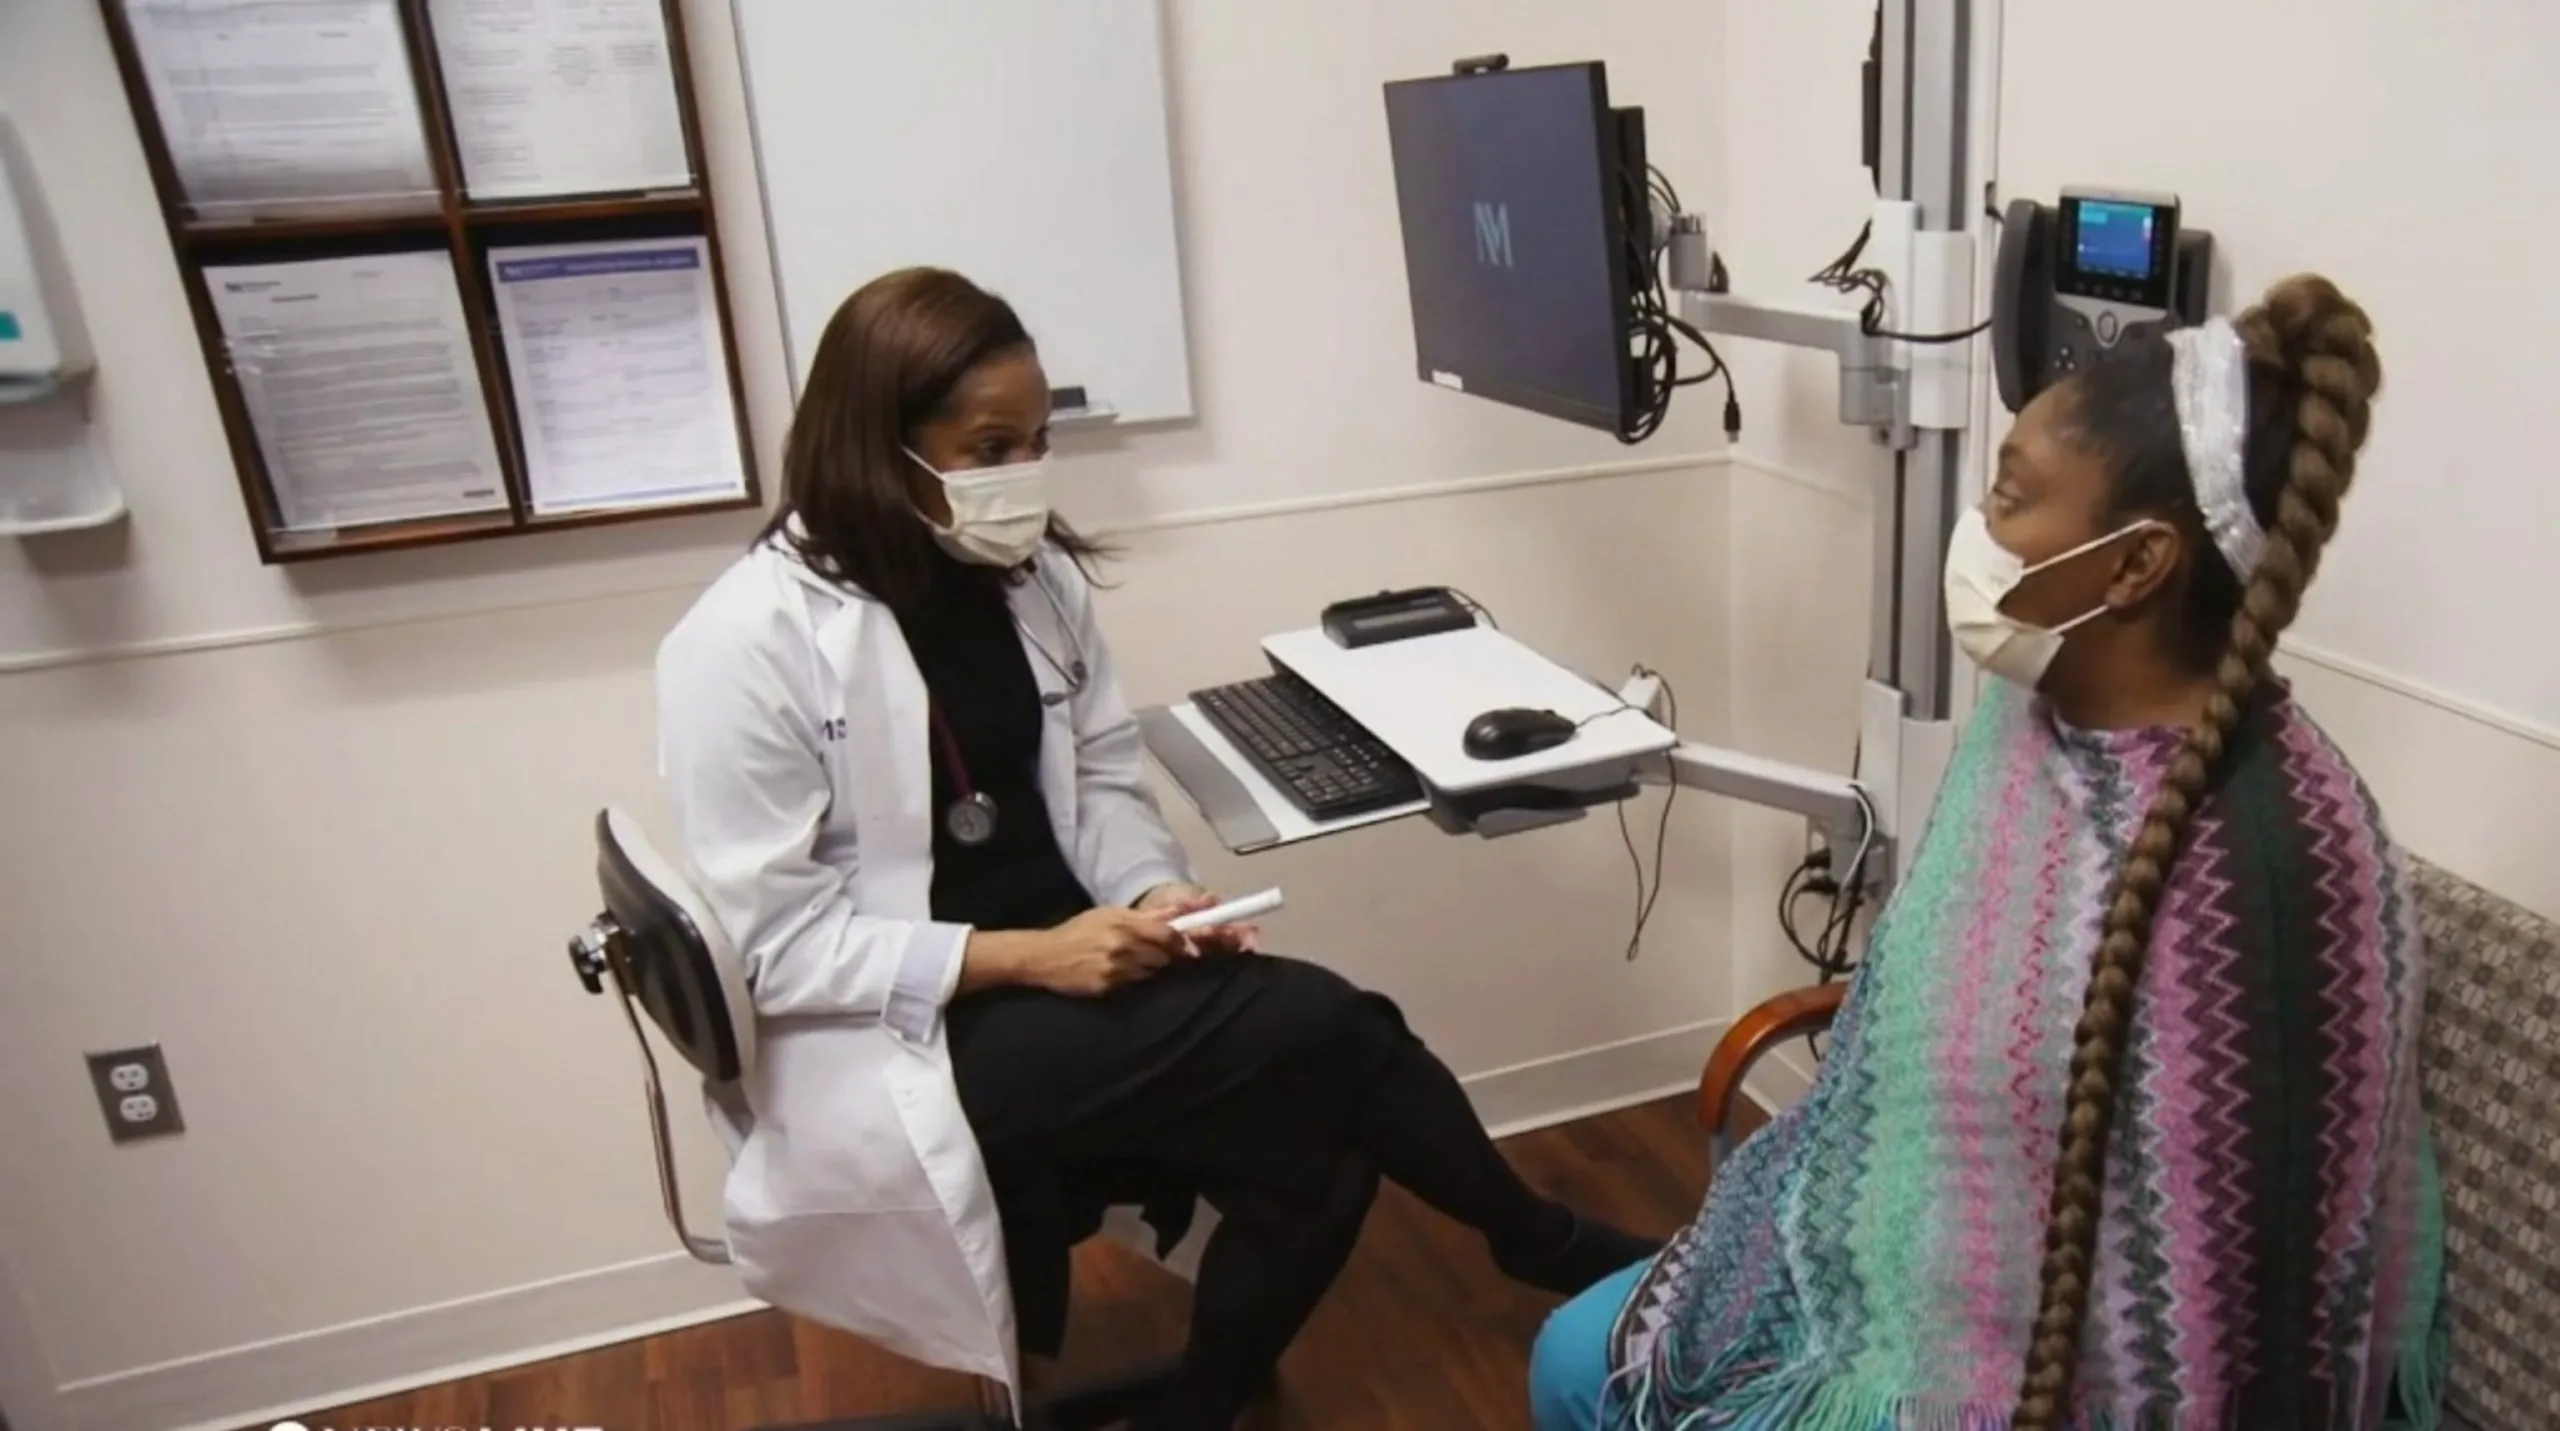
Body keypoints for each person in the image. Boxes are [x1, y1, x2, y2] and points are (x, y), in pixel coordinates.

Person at [655, 266, 1655, 1431]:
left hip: (1084, 969)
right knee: (1332, 1029)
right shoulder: (745, 643)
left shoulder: (1030, 582)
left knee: (1325, 1155)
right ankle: (1535, 1237)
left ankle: (1205, 1412)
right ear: (879, 445)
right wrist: (1031, 956)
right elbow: (772, 953)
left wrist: (1157, 890)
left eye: (1034, 441)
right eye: (986, 449)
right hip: (907, 1032)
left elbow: (1104, 779)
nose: (1019, 475)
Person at [1529, 274, 2446, 1429]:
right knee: (1574, 1348)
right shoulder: (2040, 710)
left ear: (2132, 565)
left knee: (1576, 1369)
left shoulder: (2262, 881)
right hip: (1874, 1261)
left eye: (2010, 496)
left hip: (2018, 1381)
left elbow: (2206, 1322)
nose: (1979, 529)